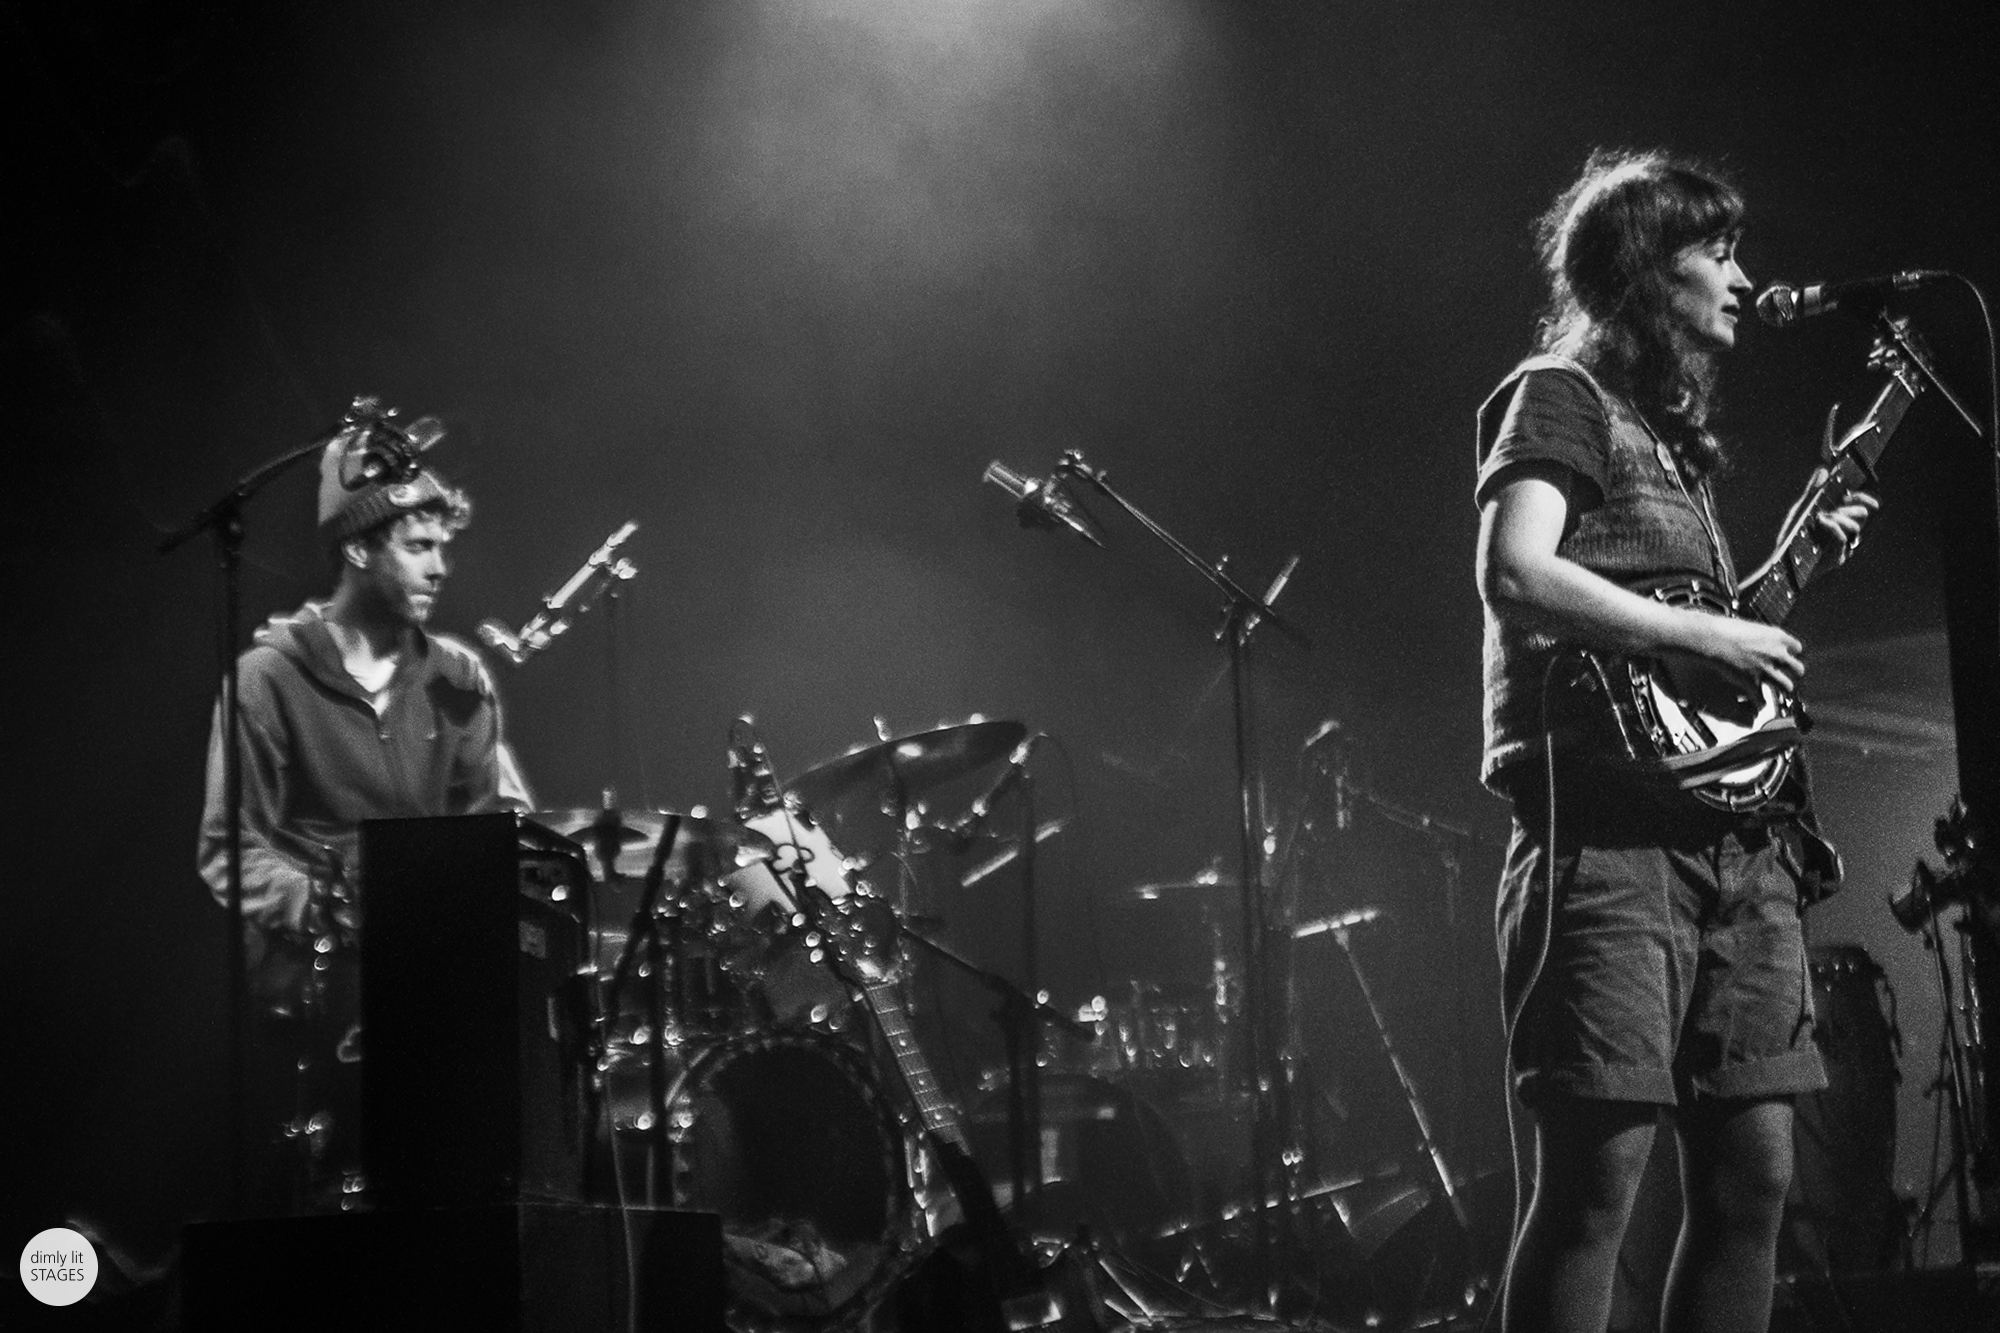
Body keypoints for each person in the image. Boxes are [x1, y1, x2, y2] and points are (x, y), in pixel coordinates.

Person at [1473, 149, 1877, 1333]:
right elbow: (1515, 571)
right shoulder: (1557, 392)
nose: (1742, 278)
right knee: (1593, 1189)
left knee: (1754, 1181)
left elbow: (1687, 670)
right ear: (1648, 269)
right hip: (1605, 848)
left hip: (1736, 850)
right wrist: (1699, 629)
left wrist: (1780, 581)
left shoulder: (1671, 446)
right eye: (1718, 251)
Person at [197, 425, 531, 1206]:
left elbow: (501, 827)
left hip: (434, 965)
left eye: (442, 547)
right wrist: (319, 905)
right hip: (316, 979)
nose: (440, 567)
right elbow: (228, 847)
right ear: (357, 548)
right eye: (419, 547)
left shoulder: (459, 681)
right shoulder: (267, 680)